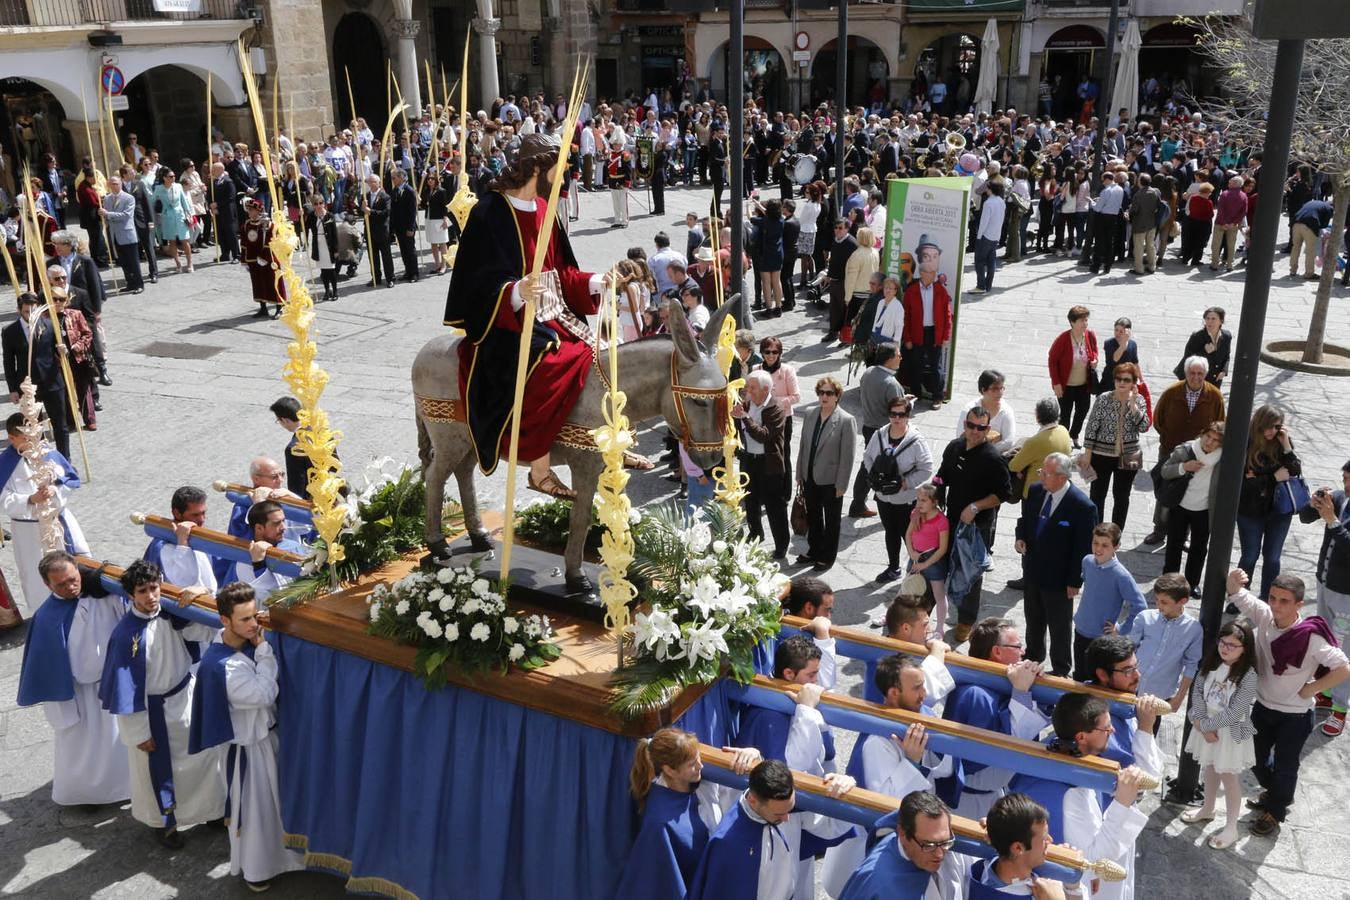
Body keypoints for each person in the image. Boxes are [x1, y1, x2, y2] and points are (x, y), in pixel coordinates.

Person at [442, 133, 612, 511]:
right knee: (551, 359)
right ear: (538, 166)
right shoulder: (490, 211)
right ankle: (539, 467)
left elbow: (563, 271)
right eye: (560, 166)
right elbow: (475, 284)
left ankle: (607, 438)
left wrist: (597, 281)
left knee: (605, 354)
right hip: (506, 322)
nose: (565, 174)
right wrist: (515, 291)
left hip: (555, 312)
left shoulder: (544, 208)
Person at [100, 559, 226, 848]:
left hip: (185, 698)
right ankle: (164, 823)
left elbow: (204, 632)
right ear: (131, 595)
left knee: (204, 760)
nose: (150, 596)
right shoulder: (124, 636)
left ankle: (212, 812)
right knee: (154, 773)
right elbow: (125, 691)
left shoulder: (172, 614)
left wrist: (200, 593)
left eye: (154, 588)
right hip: (153, 713)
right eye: (142, 591)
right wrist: (138, 733)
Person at [188, 583, 305, 891]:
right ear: (225, 621)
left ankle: (289, 859)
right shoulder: (223, 666)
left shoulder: (241, 643)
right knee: (254, 814)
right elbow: (263, 694)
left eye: (255, 615)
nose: (254, 624)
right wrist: (266, 651)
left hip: (266, 740)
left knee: (276, 806)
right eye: (245, 619)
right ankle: (256, 870)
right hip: (247, 750)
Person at [1225, 568, 1349, 836]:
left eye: (1284, 601)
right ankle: (1278, 794)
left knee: (1286, 765)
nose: (1276, 605)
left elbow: (1343, 668)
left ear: (1299, 605)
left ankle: (1275, 811)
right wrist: (1233, 578)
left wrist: (1312, 689)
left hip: (1295, 716)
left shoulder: (1311, 637)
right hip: (1262, 706)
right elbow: (1239, 595)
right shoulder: (1265, 616)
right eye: (1272, 598)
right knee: (1256, 759)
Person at [1008, 693, 1152, 900]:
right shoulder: (1070, 796)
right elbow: (1093, 860)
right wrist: (1122, 803)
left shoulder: (1057, 750)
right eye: (1105, 728)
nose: (1112, 730)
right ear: (1081, 737)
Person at [16, 550, 130, 807]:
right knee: (81, 749)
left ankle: (123, 789)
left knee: (119, 744)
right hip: (78, 694)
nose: (71, 586)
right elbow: (47, 666)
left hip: (111, 683)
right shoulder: (47, 617)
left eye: (73, 578)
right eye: (61, 584)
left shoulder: (102, 595)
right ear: (47, 585)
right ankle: (85, 796)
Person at [614, 728, 762, 900]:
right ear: (669, 770)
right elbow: (663, 885)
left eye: (698, 757)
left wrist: (754, 757)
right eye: (692, 764)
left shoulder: (703, 780)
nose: (700, 765)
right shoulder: (661, 824)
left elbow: (742, 799)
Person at [684, 758, 855, 900]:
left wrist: (847, 787)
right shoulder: (727, 844)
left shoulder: (784, 807)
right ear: (753, 800)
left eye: (790, 809)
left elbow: (834, 827)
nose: (787, 818)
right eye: (779, 814)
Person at [936, 619, 1049, 819]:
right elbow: (1010, 745)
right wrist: (1021, 692)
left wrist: (1037, 687)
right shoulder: (974, 694)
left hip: (996, 795)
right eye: (1017, 646)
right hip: (964, 802)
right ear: (997, 651)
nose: (1023, 652)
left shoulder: (1007, 680)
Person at [1178, 620, 1259, 850]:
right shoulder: (1211, 662)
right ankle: (1207, 807)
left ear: (1245, 648)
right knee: (1210, 767)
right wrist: (1201, 720)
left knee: (1228, 776)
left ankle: (1232, 826)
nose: (1225, 648)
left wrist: (1206, 725)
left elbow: (1236, 711)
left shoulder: (1248, 675)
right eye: (1223, 642)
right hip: (1206, 726)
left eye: (1232, 645)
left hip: (1228, 731)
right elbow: (1197, 692)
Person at [1017, 453, 1098, 678]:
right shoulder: (1035, 491)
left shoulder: (1082, 507)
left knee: (1059, 626)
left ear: (1062, 477)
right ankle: (1033, 656)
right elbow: (1024, 520)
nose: (1040, 476)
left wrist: (1075, 581)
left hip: (1060, 580)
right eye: (1041, 471)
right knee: (1033, 619)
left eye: (1046, 473)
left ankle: (1061, 669)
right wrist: (1020, 537)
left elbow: (1083, 549)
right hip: (1033, 571)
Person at [934, 406, 1010, 642]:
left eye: (981, 428)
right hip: (950, 520)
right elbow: (942, 475)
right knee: (939, 565)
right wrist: (934, 493)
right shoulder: (954, 447)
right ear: (965, 424)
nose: (975, 431)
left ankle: (965, 621)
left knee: (970, 574)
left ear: (988, 430)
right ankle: (930, 614)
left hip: (977, 527)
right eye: (971, 426)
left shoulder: (992, 458)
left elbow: (1004, 493)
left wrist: (976, 506)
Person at [0, 411, 89, 608]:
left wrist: (54, 490)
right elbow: (2, 499)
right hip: (28, 532)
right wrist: (30, 499)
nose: (33, 443)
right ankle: (44, 614)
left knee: (74, 566)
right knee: (35, 577)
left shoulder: (49, 454)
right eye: (26, 439)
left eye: (35, 436)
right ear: (11, 438)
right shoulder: (4, 464)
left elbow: (70, 481)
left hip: (58, 522)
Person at [1146, 356, 1226, 546]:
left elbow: (1220, 424)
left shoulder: (1214, 396)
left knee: (1192, 492)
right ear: (1185, 372)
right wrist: (1168, 438)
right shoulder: (1172, 392)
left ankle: (1183, 534)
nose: (1196, 377)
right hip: (1171, 450)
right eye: (1192, 373)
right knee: (1167, 491)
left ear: (1205, 375)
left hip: (1201, 453)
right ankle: (1160, 529)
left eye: (1200, 374)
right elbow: (1158, 420)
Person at [1302, 464, 1350, 736]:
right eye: (1344, 478)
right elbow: (1305, 518)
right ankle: (1326, 690)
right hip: (1325, 582)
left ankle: (1341, 708)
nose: (1344, 485)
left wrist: (1332, 520)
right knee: (1323, 640)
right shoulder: (1340, 499)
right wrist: (1314, 504)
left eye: (1349, 480)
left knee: (1343, 648)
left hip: (1347, 594)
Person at [1236, 405, 1302, 600]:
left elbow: (1295, 471)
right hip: (1250, 510)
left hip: (1279, 511)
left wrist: (1287, 447)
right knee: (1249, 556)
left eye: (1276, 427)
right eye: (1267, 427)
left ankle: (1267, 598)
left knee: (1272, 558)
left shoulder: (1281, 443)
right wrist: (1273, 476)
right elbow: (1242, 484)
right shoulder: (1245, 444)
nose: (1271, 431)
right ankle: (1240, 597)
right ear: (1258, 424)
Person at [865, 394, 933, 584]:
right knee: (890, 531)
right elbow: (867, 457)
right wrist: (875, 477)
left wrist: (906, 483)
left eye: (901, 415)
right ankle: (893, 567)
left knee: (909, 534)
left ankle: (918, 570)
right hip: (883, 497)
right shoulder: (879, 435)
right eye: (893, 414)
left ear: (908, 416)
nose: (896, 419)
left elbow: (926, 467)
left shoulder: (916, 441)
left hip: (905, 499)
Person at [796, 376, 856, 572]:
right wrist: (799, 473)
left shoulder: (846, 420)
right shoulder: (811, 413)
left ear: (837, 396)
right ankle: (814, 549)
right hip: (810, 476)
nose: (824, 396)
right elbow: (804, 446)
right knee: (813, 516)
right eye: (821, 392)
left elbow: (848, 456)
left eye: (829, 393)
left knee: (831, 521)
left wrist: (842, 485)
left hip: (831, 480)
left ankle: (827, 556)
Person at [1079, 362, 1149, 529]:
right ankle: (1096, 530)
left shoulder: (1139, 400)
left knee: (1122, 496)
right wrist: (1087, 453)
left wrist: (1133, 406)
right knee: (1097, 495)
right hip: (1101, 455)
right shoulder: (1103, 399)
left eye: (1126, 379)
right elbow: (1092, 428)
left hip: (1129, 456)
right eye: (1118, 379)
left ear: (1133, 382)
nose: (1121, 383)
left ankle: (1115, 534)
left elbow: (1144, 426)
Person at [1160, 420, 1226, 591]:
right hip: (1180, 505)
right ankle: (1168, 580)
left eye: (1215, 439)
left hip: (1204, 510)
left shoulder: (1222, 459)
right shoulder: (1186, 450)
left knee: (1199, 547)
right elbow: (1165, 471)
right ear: (1202, 434)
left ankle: (1192, 582)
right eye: (1207, 436)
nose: (1208, 442)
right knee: (1174, 543)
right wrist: (1184, 467)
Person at [736, 370, 789, 559]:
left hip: (769, 465)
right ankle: (756, 532)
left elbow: (763, 435)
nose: (748, 391)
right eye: (747, 387)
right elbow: (740, 430)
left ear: (766, 389)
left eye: (752, 387)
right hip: (749, 460)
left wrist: (745, 418)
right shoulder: (747, 405)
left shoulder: (776, 409)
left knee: (775, 507)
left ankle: (781, 544)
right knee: (750, 501)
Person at [851, 343, 905, 519]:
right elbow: (899, 411)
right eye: (898, 355)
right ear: (889, 359)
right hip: (884, 431)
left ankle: (860, 502)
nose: (901, 357)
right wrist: (907, 403)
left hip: (868, 426)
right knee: (878, 467)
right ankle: (864, 503)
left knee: (868, 464)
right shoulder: (891, 383)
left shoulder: (868, 373)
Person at [901, 234, 952, 409]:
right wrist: (907, 338)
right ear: (920, 271)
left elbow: (947, 316)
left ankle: (937, 397)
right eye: (925, 271)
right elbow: (906, 316)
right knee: (916, 365)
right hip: (917, 332)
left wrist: (945, 336)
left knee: (936, 365)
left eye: (932, 272)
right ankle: (916, 394)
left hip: (934, 333)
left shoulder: (941, 291)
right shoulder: (912, 291)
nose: (928, 274)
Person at [142, 485, 225, 593]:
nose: (202, 520)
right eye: (195, 515)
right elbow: (184, 581)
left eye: (203, 513)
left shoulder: (200, 537)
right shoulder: (162, 547)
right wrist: (182, 543)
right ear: (177, 513)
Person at [233, 500, 305, 602]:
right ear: (259, 528)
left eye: (283, 521)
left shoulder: (295, 547)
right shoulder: (245, 562)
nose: (284, 527)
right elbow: (264, 599)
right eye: (276, 524)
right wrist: (258, 565)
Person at [1046, 305, 1097, 447]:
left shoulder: (1090, 335)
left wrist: (1094, 360)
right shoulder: (1063, 339)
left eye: (1086, 320)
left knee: (1082, 412)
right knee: (1065, 415)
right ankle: (1063, 440)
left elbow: (1094, 351)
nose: (1085, 324)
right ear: (1072, 322)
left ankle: (1074, 435)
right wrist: (1056, 383)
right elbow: (1052, 360)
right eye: (1081, 321)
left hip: (1084, 385)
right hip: (1066, 386)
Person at [760, 336, 800, 475]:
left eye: (775, 352)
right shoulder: (756, 369)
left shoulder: (787, 370)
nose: (771, 355)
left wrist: (773, 402)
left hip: (782, 419)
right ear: (762, 353)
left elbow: (796, 396)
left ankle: (784, 490)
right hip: (761, 419)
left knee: (782, 453)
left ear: (780, 353)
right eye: (767, 351)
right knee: (763, 454)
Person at [241, 198, 287, 319]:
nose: (249, 212)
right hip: (253, 259)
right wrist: (244, 260)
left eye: (251, 210)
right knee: (258, 283)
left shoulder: (269, 225)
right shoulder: (246, 225)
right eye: (248, 210)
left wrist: (264, 257)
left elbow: (270, 242)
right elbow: (244, 243)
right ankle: (263, 308)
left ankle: (279, 307)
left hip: (269, 259)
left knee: (273, 283)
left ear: (258, 211)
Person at [954, 369, 1016, 454]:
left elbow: (1009, 442)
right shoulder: (969, 408)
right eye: (994, 389)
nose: (999, 393)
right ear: (983, 390)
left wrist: (983, 450)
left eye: (1001, 388)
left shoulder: (1006, 412)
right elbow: (960, 436)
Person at [101, 175, 145, 293]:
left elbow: (126, 215)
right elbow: (107, 217)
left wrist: (108, 214)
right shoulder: (107, 199)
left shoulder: (129, 198)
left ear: (121, 184)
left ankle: (139, 284)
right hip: (115, 235)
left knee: (133, 262)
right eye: (112, 184)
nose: (114, 186)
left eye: (116, 184)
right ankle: (130, 283)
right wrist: (104, 216)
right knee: (123, 262)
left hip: (127, 234)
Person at [151, 168, 195, 274]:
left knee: (185, 240)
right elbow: (152, 201)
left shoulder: (178, 186)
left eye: (174, 176)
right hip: (167, 217)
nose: (173, 178)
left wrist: (189, 214)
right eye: (171, 176)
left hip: (180, 216)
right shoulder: (159, 188)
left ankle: (189, 263)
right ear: (164, 178)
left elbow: (184, 201)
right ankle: (178, 264)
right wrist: (159, 210)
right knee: (172, 241)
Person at [1174, 307, 1231, 387]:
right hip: (1196, 378)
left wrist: (1224, 371)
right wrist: (1204, 352)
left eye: (1213, 319)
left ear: (1221, 321)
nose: (1209, 321)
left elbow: (1226, 356)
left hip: (1215, 378)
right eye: (1207, 318)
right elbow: (1188, 358)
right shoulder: (1197, 336)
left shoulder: (1226, 336)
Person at [822, 219, 859, 343]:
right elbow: (833, 261)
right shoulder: (836, 240)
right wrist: (828, 275)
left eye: (840, 228)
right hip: (834, 280)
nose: (837, 230)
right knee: (834, 308)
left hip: (845, 281)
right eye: (836, 227)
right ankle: (833, 332)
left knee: (844, 310)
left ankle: (845, 337)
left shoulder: (852, 244)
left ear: (847, 229)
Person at [361, 174, 396, 289]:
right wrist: (362, 208)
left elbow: (386, 213)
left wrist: (370, 211)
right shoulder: (366, 196)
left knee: (386, 256)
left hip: (382, 231)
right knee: (373, 257)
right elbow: (362, 212)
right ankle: (376, 277)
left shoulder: (385, 197)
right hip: (370, 231)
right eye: (369, 182)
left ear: (379, 183)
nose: (371, 184)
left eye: (373, 182)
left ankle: (390, 278)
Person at [971, 180, 1005, 293]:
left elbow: (984, 222)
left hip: (986, 236)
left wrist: (979, 236)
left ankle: (981, 286)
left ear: (991, 189)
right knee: (991, 261)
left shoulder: (988, 203)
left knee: (979, 261)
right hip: (995, 236)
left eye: (987, 187)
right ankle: (988, 285)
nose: (986, 189)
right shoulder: (1001, 201)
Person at [1289, 196, 1332, 279]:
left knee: (1295, 247)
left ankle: (1292, 270)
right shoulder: (1329, 208)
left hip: (1296, 223)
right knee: (1310, 250)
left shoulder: (1312, 202)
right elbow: (1324, 225)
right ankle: (1309, 273)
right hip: (1309, 226)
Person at [389, 168, 419, 282]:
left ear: (401, 177)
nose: (393, 180)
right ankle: (408, 271)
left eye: (394, 178)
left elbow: (412, 211)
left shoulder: (409, 190)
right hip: (399, 226)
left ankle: (414, 273)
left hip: (408, 226)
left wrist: (411, 228)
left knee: (410, 250)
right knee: (403, 250)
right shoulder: (395, 190)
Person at [308, 195, 340, 302]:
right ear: (313, 205)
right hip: (318, 246)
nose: (319, 206)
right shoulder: (312, 216)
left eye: (321, 203)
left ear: (324, 204)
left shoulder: (329, 216)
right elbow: (305, 226)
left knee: (331, 271)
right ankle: (327, 290)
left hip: (329, 246)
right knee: (323, 272)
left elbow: (335, 234)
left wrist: (336, 250)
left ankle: (335, 291)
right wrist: (301, 216)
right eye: (316, 204)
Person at [1128, 172, 1161, 274]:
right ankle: (1152, 266)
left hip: (1139, 224)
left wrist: (1129, 214)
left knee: (1138, 247)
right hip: (1151, 223)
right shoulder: (1155, 192)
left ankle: (1139, 268)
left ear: (1140, 182)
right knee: (1150, 245)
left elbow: (1134, 210)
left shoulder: (1138, 194)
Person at [1099, 318, 1138, 395]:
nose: (1117, 333)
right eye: (1116, 330)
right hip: (1110, 381)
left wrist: (1138, 380)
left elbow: (1135, 363)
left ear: (1128, 332)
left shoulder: (1132, 344)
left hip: (1125, 381)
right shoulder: (1109, 343)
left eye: (1121, 331)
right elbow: (1115, 359)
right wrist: (1123, 344)